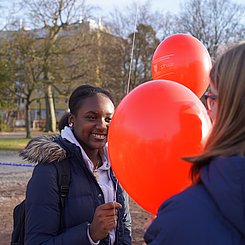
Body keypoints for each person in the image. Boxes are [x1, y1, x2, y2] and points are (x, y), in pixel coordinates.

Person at [144, 42, 245, 244]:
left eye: (212, 98)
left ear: (232, 107)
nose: (207, 111)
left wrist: (167, 230)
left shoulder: (182, 220)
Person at [21, 85, 132, 244]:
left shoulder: (115, 165)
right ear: (72, 120)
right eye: (92, 117)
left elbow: (124, 226)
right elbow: (36, 242)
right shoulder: (51, 170)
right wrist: (89, 234)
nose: (102, 126)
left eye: (108, 119)